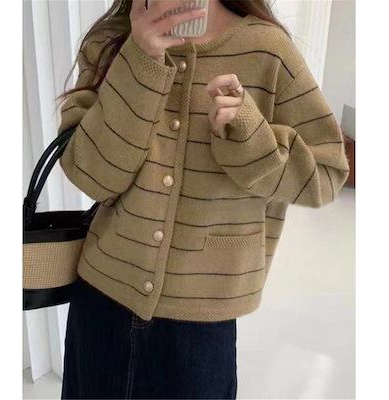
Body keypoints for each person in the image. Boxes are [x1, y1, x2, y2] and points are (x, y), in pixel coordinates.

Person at [57, 0, 350, 398]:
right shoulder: (110, 41)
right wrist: (140, 60)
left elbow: (328, 173)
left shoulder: (268, 51)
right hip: (100, 307)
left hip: (200, 329)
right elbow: (91, 176)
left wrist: (251, 140)